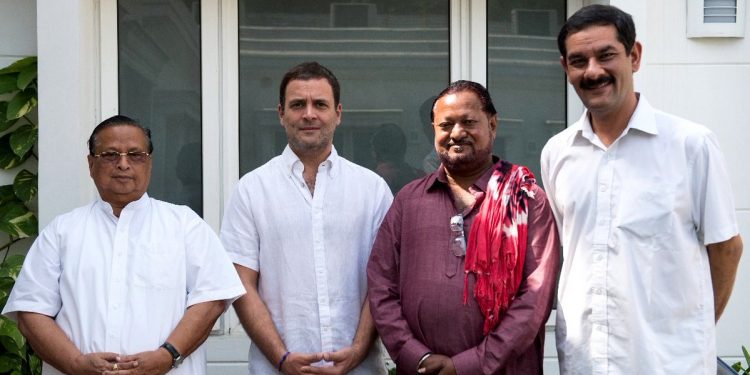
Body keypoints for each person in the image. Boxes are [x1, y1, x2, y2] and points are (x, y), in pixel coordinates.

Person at [540, 5, 744, 374]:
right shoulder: (558, 153)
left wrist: (690, 335)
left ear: (634, 56)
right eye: (578, 60)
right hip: (585, 361)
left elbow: (726, 248)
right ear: (565, 69)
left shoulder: (691, 145)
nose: (593, 71)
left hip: (668, 364)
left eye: (606, 55)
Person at [2, 115, 245, 375]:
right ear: (90, 164)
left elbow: (212, 301)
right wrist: (76, 364)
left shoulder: (185, 225)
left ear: (149, 163)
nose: (123, 164)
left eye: (135, 155)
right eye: (110, 155)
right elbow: (31, 313)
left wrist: (167, 356)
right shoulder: (62, 232)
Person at [368, 80, 560, 375]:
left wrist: (467, 365)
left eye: (468, 122)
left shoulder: (526, 201)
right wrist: (414, 355)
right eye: (445, 125)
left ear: (493, 125)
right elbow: (381, 283)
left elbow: (534, 299)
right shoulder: (409, 200)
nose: (456, 133)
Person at [220, 62, 393, 374]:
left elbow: (385, 281)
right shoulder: (251, 190)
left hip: (359, 369)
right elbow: (241, 285)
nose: (309, 114)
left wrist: (356, 353)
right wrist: (281, 358)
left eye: (320, 104)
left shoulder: (372, 190)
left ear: (338, 113)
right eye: (298, 104)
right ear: (281, 113)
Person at [370, 123, 424, 194]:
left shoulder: (371, 181)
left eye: (372, 149)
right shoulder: (421, 179)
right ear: (404, 149)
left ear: (375, 152)